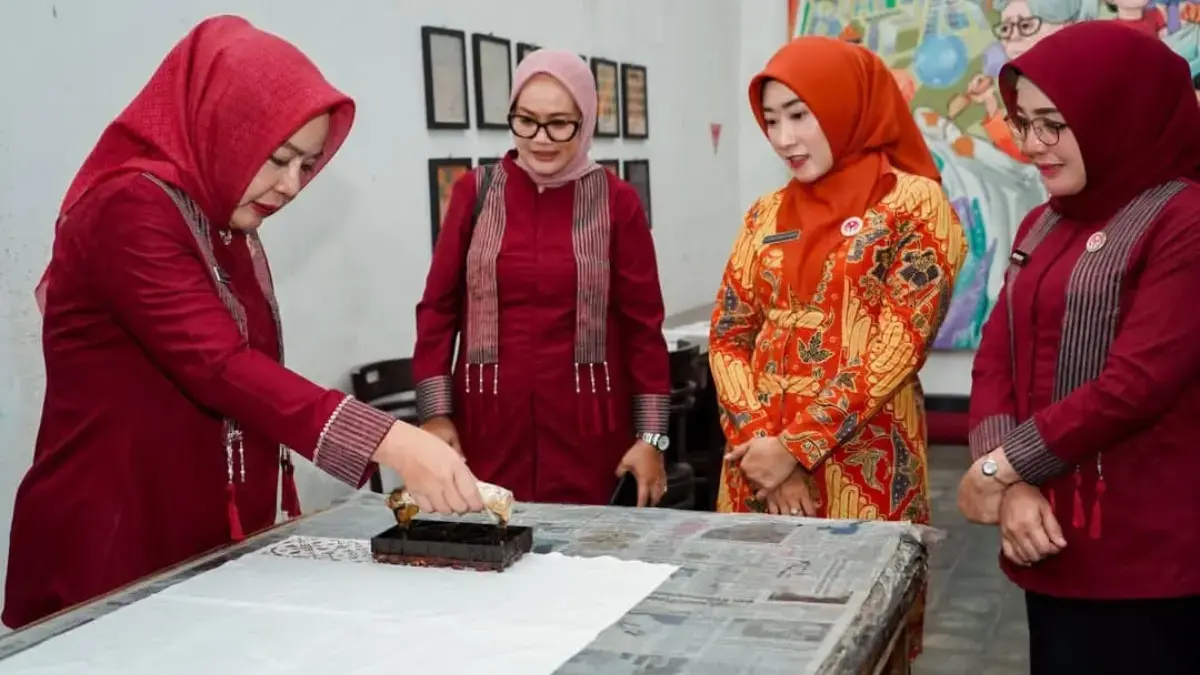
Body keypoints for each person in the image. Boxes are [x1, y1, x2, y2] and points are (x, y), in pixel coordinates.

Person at [3, 15, 484, 630]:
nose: (289, 186)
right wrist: (389, 439)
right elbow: (220, 367)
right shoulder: (132, 208)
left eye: (305, 166)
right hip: (115, 534)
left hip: (198, 530)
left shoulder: (226, 223)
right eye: (277, 158)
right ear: (221, 127)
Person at [957, 21, 1200, 674]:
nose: (1033, 145)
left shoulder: (1185, 220)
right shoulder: (1044, 221)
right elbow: (996, 357)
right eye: (1024, 122)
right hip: (1045, 532)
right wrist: (1008, 484)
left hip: (1149, 559)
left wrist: (1000, 468)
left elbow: (1137, 382)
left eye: (1054, 124)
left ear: (1116, 115)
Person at [711, 36, 965, 658]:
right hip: (757, 465)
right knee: (757, 642)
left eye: (800, 114)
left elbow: (896, 349)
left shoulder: (914, 206)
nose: (784, 138)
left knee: (855, 641)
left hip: (863, 464)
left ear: (849, 105)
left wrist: (795, 448)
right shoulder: (765, 214)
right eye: (771, 120)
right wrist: (764, 456)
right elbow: (729, 335)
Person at [412, 50, 672, 508]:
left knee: (585, 568)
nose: (541, 138)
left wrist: (652, 438)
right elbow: (438, 309)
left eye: (560, 123)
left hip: (590, 438)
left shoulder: (617, 202)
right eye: (526, 120)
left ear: (586, 120)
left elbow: (643, 329)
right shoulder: (475, 192)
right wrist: (435, 414)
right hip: (484, 434)